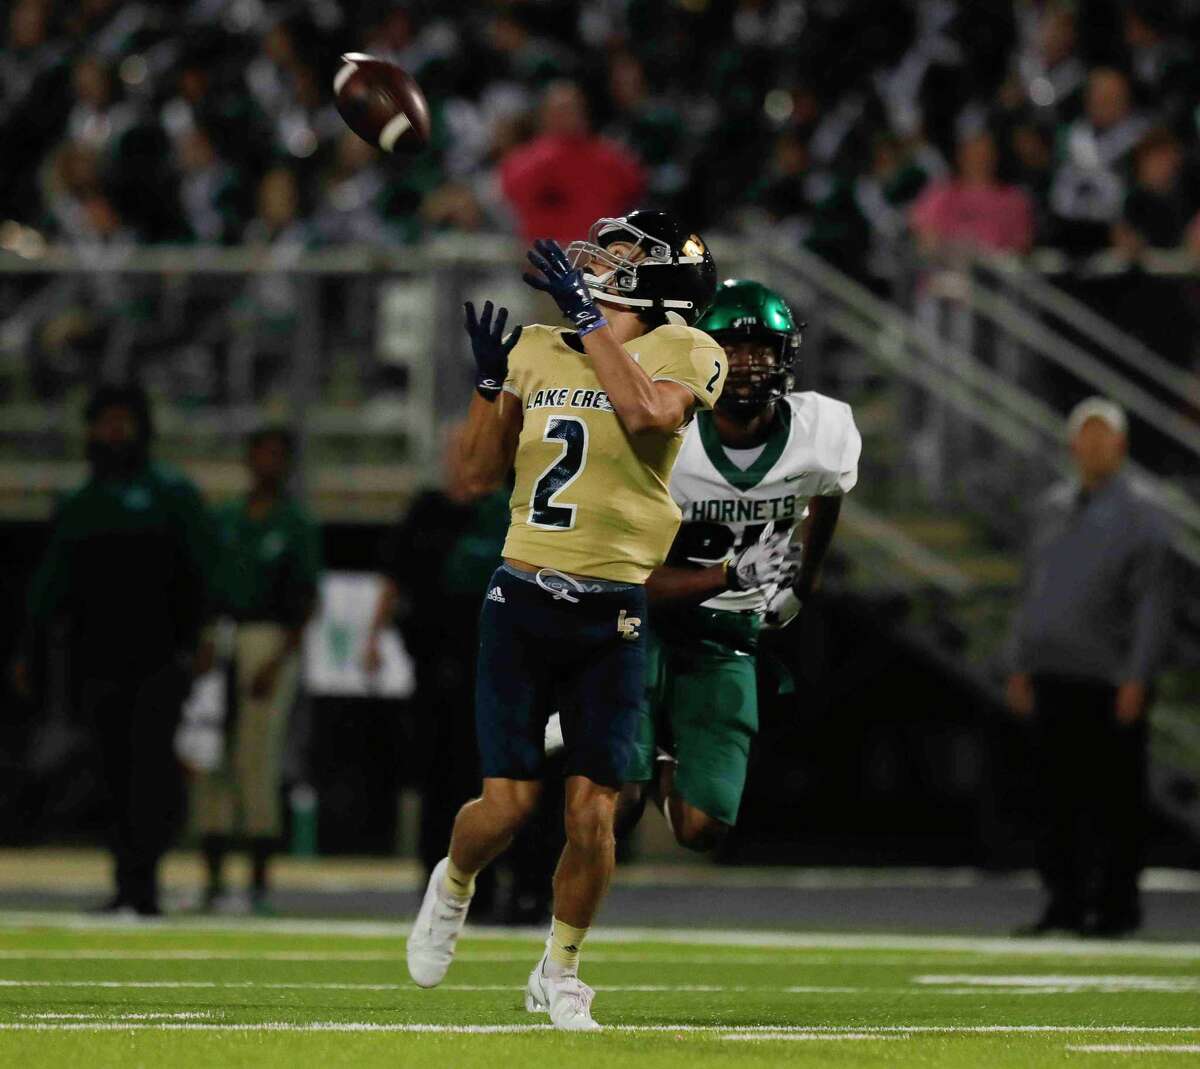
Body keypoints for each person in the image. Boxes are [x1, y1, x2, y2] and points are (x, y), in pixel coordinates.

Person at [406, 209, 741, 1031]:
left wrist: (592, 326)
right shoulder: (537, 344)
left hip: (613, 605)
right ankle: (453, 883)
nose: (603, 259)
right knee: (508, 805)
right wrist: (488, 391)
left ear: (662, 277)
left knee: (595, 809)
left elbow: (650, 416)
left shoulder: (691, 348)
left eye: (625, 252)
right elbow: (479, 474)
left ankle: (560, 969)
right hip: (521, 594)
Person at [619, 279, 861, 851]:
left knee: (703, 828)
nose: (748, 365)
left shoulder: (821, 433)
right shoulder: (665, 432)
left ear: (786, 356)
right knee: (614, 807)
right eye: (731, 349)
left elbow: (830, 489)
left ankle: (667, 745)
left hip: (729, 631)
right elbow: (624, 578)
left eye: (762, 350)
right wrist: (727, 576)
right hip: (640, 622)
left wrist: (806, 578)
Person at [16, 383, 214, 915]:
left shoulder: (172, 494)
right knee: (108, 771)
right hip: (97, 659)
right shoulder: (81, 501)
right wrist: (27, 651)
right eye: (104, 422)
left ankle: (145, 882)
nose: (114, 432)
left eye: (123, 421)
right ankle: (123, 880)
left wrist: (202, 639)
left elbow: (202, 574)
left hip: (158, 657)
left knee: (150, 770)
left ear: (142, 428)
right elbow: (49, 587)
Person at [364, 427, 559, 925]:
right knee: (440, 780)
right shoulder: (427, 510)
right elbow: (396, 576)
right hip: (437, 667)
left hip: (504, 664)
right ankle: (449, 885)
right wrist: (372, 637)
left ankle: (524, 886)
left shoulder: (516, 506)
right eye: (458, 452)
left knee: (506, 777)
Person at [1007, 397, 1172, 937]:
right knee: (1055, 800)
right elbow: (1031, 591)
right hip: (1053, 674)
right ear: (1074, 444)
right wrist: (1020, 662)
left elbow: (1152, 602)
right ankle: (1065, 903)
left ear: (1120, 446)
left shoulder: (1143, 512)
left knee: (1116, 802)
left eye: (1106, 436)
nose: (1096, 445)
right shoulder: (1050, 509)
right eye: (1087, 435)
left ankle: (1117, 907)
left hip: (1108, 679)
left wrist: (1137, 675)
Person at [194, 426, 321, 915]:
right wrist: (203, 641)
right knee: (211, 758)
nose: (267, 463)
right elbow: (206, 586)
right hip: (220, 638)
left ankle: (259, 884)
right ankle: (212, 880)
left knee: (256, 759)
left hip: (267, 640)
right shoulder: (225, 518)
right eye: (260, 454)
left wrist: (279, 656)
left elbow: (306, 598)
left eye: (276, 455)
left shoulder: (294, 523)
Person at [499, 81, 645, 244]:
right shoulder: (525, 161)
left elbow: (634, 187)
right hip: (551, 259)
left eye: (574, 108)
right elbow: (512, 195)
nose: (570, 116)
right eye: (562, 110)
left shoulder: (610, 158)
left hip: (603, 258)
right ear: (544, 115)